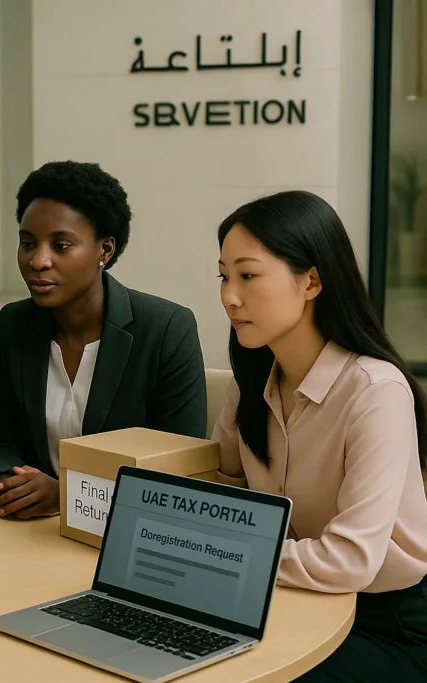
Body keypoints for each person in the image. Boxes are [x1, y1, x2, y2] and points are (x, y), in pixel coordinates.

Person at [212, 190, 427, 681]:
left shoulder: (375, 391)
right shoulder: (250, 381)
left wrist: (225, 553)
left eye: (247, 275)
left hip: (385, 623)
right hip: (284, 599)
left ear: (310, 281)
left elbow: (351, 560)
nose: (229, 295)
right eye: (223, 276)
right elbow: (221, 485)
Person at [0, 161, 206, 519]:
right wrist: (10, 482)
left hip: (131, 533)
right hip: (31, 533)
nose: (38, 261)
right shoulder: (15, 323)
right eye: (27, 243)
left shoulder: (165, 329)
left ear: (105, 250)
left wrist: (66, 494)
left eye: (61, 245)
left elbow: (180, 466)